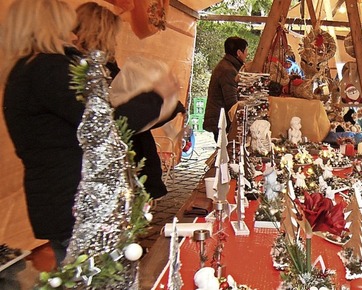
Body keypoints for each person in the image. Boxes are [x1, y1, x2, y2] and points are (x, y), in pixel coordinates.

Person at [1, 0, 178, 266]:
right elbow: (105, 126)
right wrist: (157, 96)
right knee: (97, 275)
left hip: (60, 200)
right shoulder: (48, 70)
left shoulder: (26, 70)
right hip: (78, 203)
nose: (72, 30)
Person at [73, 2, 184, 200]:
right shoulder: (87, 75)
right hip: (116, 178)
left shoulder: (103, 70)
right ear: (101, 34)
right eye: (112, 36)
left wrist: (167, 105)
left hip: (128, 171)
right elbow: (118, 123)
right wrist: (157, 96)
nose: (115, 43)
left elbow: (134, 120)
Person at [203, 36, 248, 139]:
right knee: (225, 151)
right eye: (245, 51)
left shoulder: (226, 66)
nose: (247, 54)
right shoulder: (228, 70)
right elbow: (232, 102)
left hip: (220, 119)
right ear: (239, 53)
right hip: (221, 120)